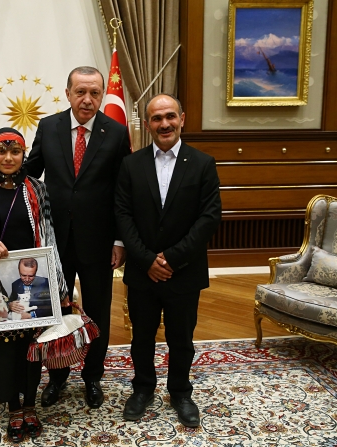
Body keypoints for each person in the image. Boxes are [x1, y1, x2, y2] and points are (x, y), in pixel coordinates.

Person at [26, 66, 131, 409]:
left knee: (98, 311)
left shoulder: (116, 133)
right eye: (80, 92)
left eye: (94, 93)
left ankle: (93, 376)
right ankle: (57, 376)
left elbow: (123, 191)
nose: (87, 99)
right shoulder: (49, 127)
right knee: (55, 310)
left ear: (102, 95)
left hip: (99, 242)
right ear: (68, 93)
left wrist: (119, 241)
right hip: (54, 241)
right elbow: (30, 173)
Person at [114, 93, 222, 427]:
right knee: (141, 338)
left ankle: (180, 392)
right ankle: (143, 389)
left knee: (181, 339)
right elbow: (123, 215)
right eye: (157, 118)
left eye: (170, 116)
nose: (165, 124)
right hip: (142, 271)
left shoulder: (203, 163)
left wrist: (172, 259)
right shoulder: (131, 164)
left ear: (182, 119)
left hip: (185, 271)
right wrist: (147, 260)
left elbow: (209, 218)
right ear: (147, 124)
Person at [0, 127, 69, 443]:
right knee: (6, 345)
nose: (8, 158)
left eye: (15, 152)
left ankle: (30, 405)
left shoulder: (37, 188)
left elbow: (48, 233)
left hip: (32, 281)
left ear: (24, 154)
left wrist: (57, 281)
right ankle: (13, 407)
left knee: (31, 345)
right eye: (2, 151)